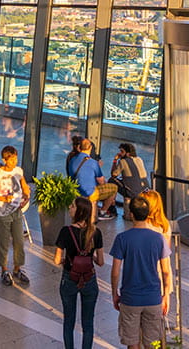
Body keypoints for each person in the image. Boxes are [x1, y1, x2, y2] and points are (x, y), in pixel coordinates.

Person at [109, 193, 170, 349]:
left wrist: (114, 293)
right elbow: (165, 271)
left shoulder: (122, 238)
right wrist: (166, 294)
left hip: (130, 299)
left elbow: (115, 271)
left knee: (132, 343)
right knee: (152, 343)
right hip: (153, 298)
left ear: (131, 214)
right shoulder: (159, 238)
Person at [54, 196, 104, 349]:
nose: (70, 208)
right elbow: (101, 262)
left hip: (70, 277)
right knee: (88, 323)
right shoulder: (96, 232)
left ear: (79, 212)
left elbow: (57, 260)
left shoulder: (65, 231)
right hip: (89, 278)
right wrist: (88, 256)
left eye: (72, 206)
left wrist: (67, 260)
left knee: (69, 321)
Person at [0, 144, 30, 287]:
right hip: (1, 212)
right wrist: (3, 199)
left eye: (15, 159)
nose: (14, 162)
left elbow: (24, 187)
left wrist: (26, 196)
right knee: (4, 243)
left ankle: (17, 269)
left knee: (19, 241)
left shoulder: (18, 171)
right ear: (4, 160)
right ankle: (4, 270)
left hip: (16, 211)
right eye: (11, 160)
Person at [68, 137, 117, 218]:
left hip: (76, 191)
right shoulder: (93, 162)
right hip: (89, 193)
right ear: (90, 148)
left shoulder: (72, 159)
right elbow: (101, 181)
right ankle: (102, 212)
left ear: (79, 147)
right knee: (114, 188)